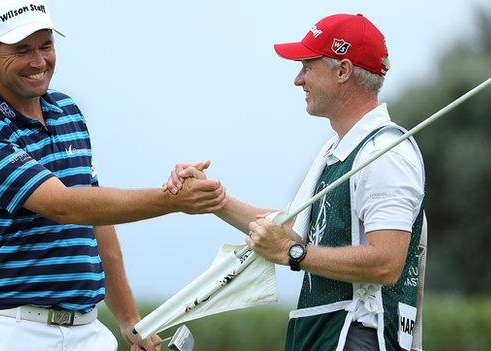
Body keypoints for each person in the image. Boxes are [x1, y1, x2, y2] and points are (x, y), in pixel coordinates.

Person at [0, 1, 226, 350]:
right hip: (11, 329)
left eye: (46, 46)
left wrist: (130, 320)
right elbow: (65, 206)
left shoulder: (67, 112)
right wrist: (171, 200)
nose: (39, 61)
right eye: (22, 50)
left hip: (86, 328)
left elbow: (94, 218)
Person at [165, 14, 426, 351]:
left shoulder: (386, 154)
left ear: (343, 71)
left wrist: (293, 253)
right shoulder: (335, 150)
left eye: (307, 66)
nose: (298, 79)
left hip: (358, 335)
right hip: (322, 334)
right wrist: (213, 198)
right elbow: (291, 230)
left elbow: (386, 262)